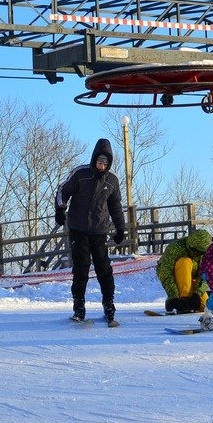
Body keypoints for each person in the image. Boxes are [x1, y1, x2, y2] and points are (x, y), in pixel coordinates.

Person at [55, 137, 126, 327]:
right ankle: (79, 308)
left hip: (99, 231)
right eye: (99, 161)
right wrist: (60, 209)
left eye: (106, 163)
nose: (102, 166)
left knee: (104, 269)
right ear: (94, 159)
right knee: (81, 268)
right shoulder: (81, 174)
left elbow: (116, 206)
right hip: (78, 229)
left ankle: (109, 305)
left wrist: (120, 228)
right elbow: (62, 191)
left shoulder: (112, 181)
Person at [155, 228, 211, 314]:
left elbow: (205, 274)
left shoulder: (207, 253)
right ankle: (184, 298)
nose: (199, 255)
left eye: (202, 252)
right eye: (197, 251)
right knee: (185, 261)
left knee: (204, 306)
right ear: (191, 246)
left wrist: (197, 294)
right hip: (175, 273)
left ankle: (192, 297)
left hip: (193, 276)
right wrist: (173, 296)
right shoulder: (175, 248)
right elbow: (166, 273)